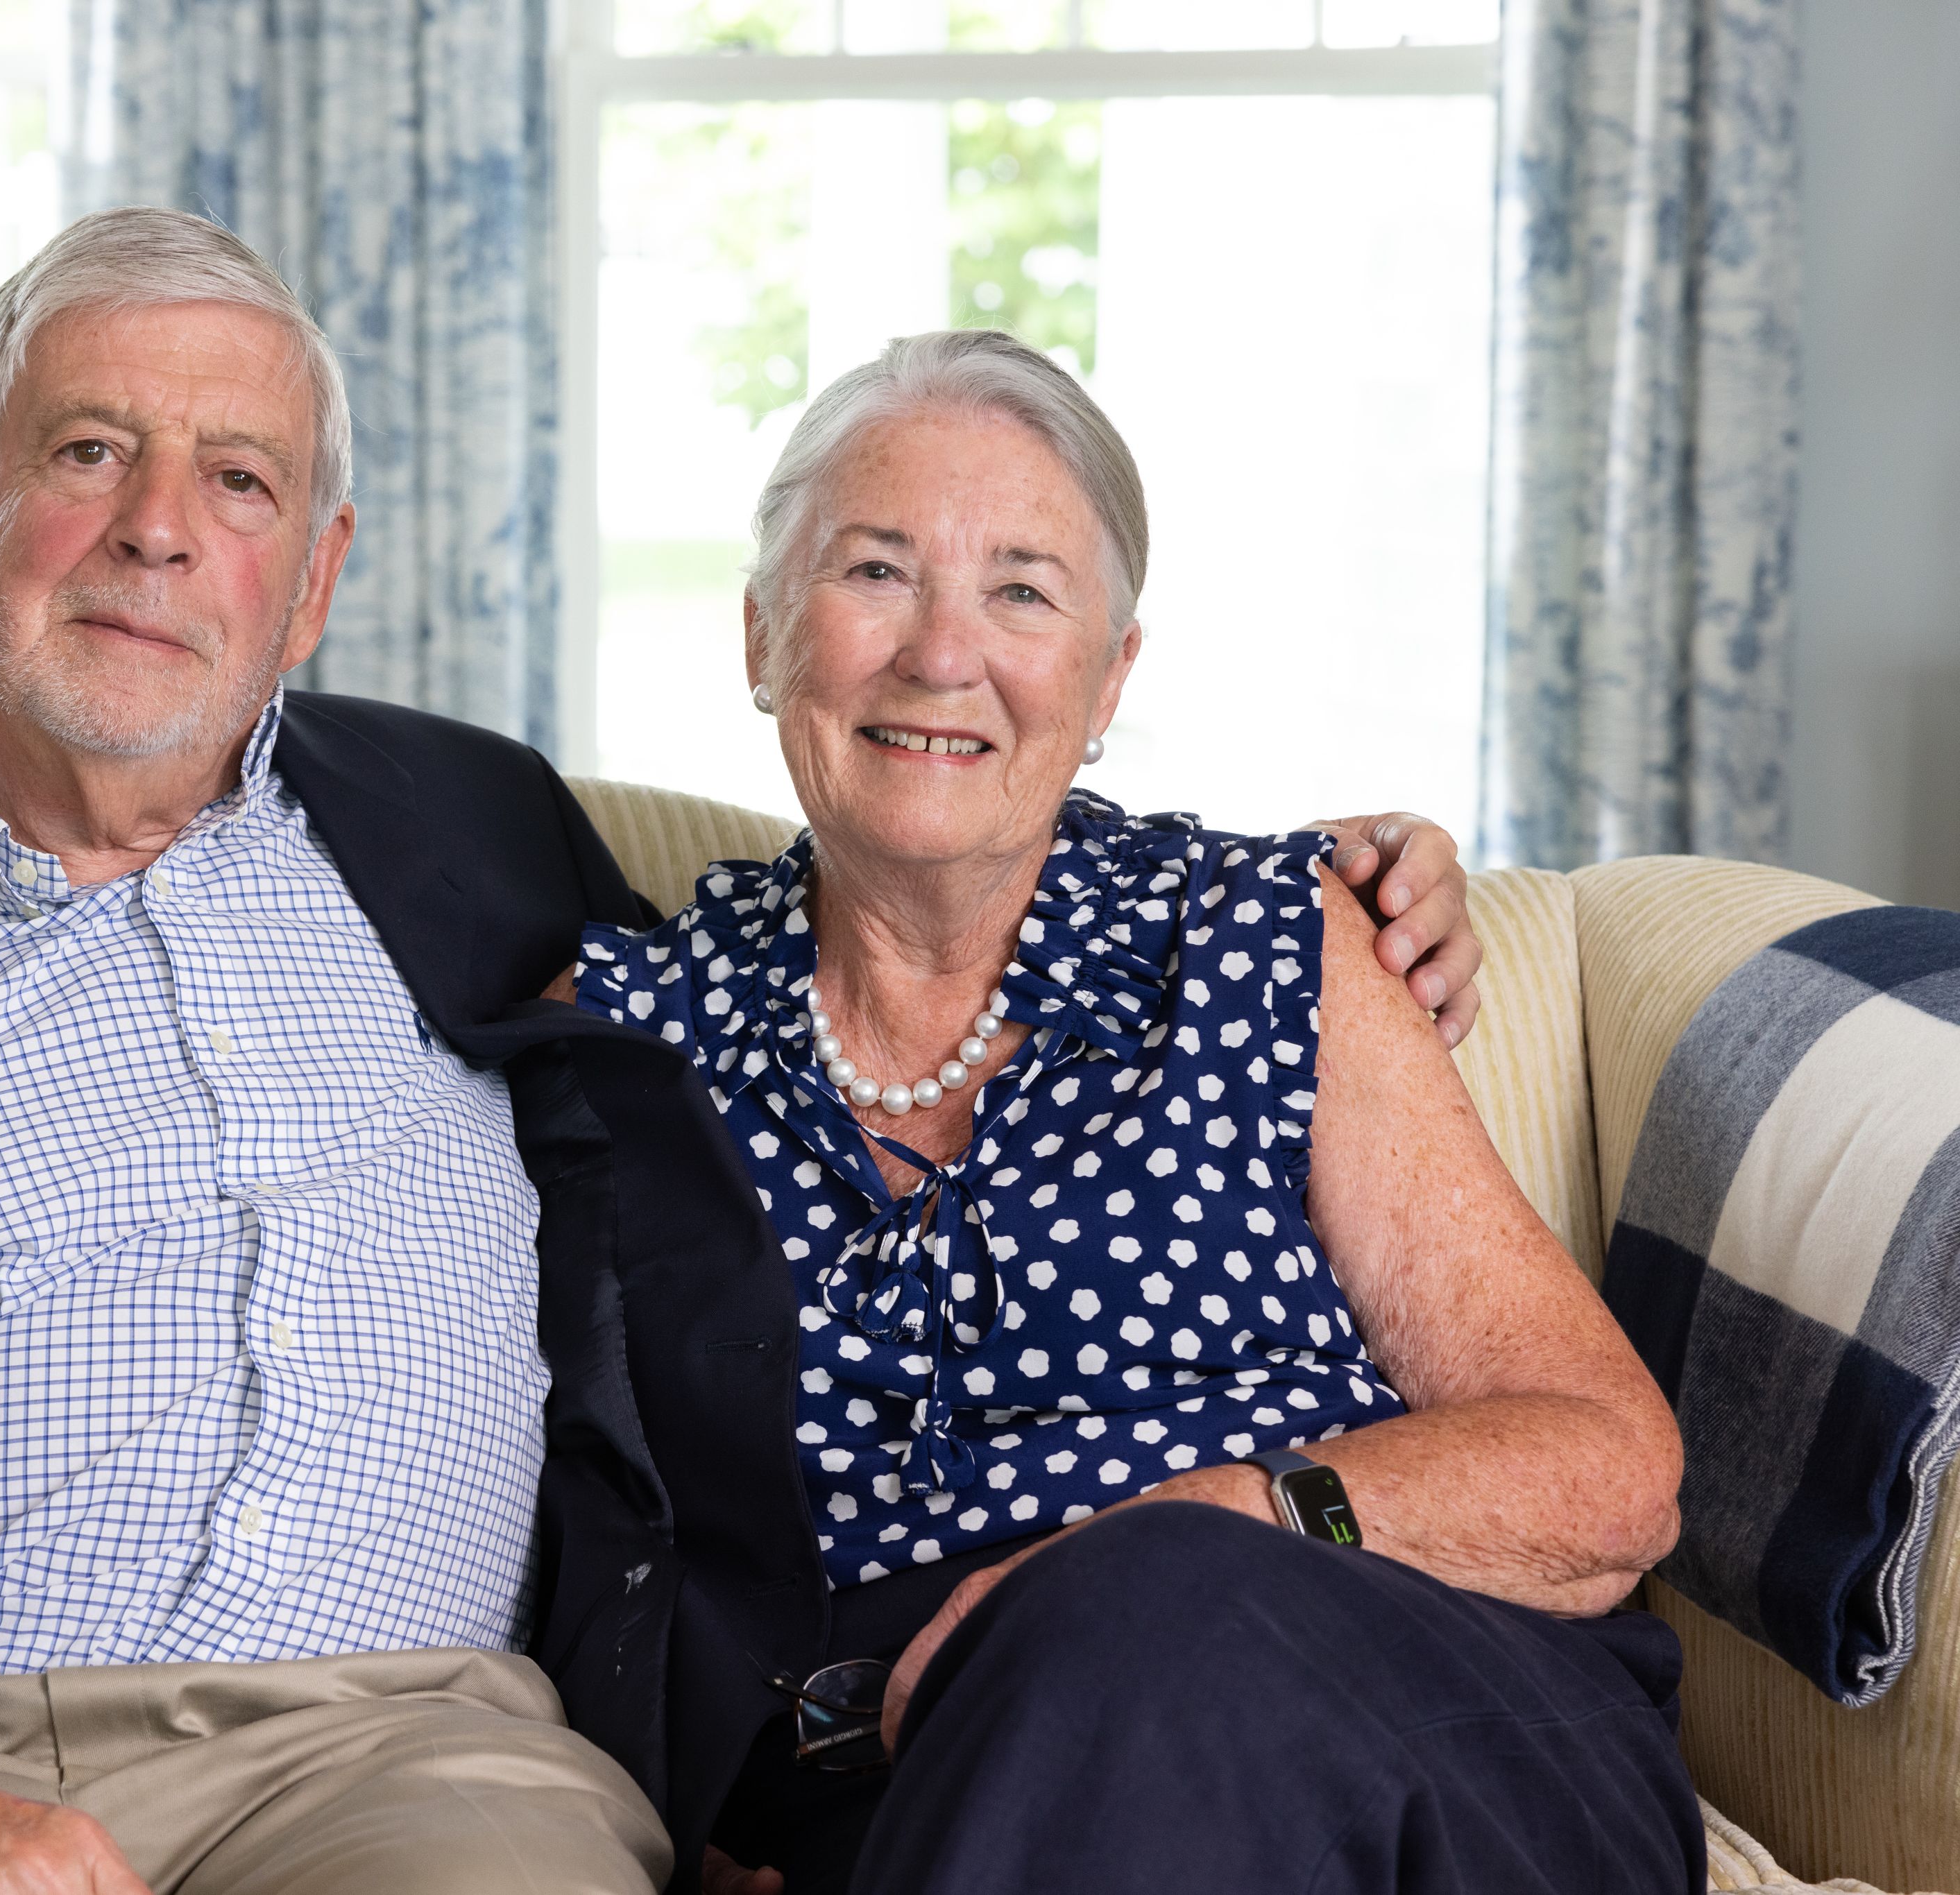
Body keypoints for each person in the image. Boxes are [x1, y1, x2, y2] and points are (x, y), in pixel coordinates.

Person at [0, 207, 1482, 1895]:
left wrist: (1348, 887)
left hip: (420, 1760)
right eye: (88, 450)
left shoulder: (476, 836)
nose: (155, 531)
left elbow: (927, 840)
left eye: (240, 483)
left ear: (314, 583)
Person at [552, 328, 1698, 1895]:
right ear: (760, 637)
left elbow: (1606, 1467)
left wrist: (1214, 1520)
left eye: (1021, 589)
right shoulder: (627, 1037)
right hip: (896, 1783)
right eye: (875, 572)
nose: (941, 652)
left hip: (1378, 1697)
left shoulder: (1262, 942)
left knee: (1148, 1605)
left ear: (1107, 679)